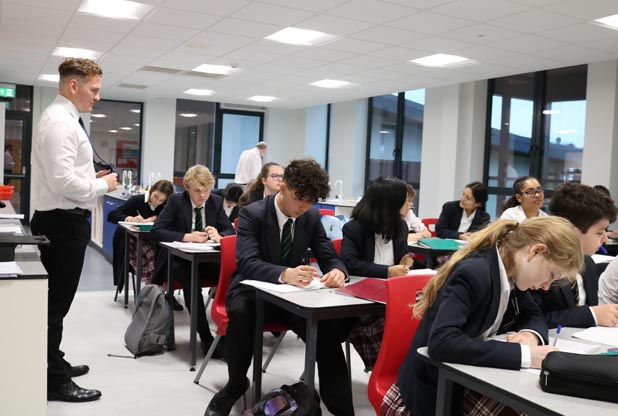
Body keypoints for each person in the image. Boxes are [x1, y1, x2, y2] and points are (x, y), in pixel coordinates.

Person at [384, 217, 584, 416]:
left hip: (464, 380)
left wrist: (531, 334)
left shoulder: (513, 274)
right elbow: (442, 342)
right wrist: (527, 355)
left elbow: (533, 314)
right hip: (431, 392)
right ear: (536, 251)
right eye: (552, 275)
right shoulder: (474, 272)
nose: (547, 286)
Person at [205, 159, 355, 416]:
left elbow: (328, 254)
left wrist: (338, 271)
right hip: (251, 290)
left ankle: (342, 409)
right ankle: (236, 384)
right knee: (240, 312)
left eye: (310, 202)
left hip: (291, 297)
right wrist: (285, 273)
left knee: (327, 334)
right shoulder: (253, 213)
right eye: (299, 199)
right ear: (283, 187)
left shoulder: (309, 216)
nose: (303, 207)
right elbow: (247, 262)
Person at [30, 57, 118, 402]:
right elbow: (63, 182)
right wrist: (103, 187)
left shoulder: (66, 119)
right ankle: (54, 380)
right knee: (54, 307)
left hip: (64, 220)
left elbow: (67, 176)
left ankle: (55, 362)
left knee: (57, 304)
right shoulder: (59, 123)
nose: (97, 96)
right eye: (94, 89)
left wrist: (90, 180)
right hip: (62, 223)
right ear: (73, 86)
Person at [150, 165, 234, 359]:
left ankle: (228, 333)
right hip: (179, 261)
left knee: (234, 275)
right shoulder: (176, 201)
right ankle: (205, 338)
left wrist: (220, 235)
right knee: (191, 282)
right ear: (187, 187)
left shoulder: (215, 201)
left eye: (206, 190)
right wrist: (186, 237)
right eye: (197, 191)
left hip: (207, 259)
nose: (202, 196)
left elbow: (230, 231)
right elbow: (157, 232)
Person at [340, 176, 414, 369]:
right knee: (390, 323)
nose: (409, 204)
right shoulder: (355, 228)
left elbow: (402, 255)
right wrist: (388, 271)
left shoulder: (401, 227)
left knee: (421, 316)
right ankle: (393, 371)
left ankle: (410, 371)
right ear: (390, 203)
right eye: (405, 199)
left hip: (392, 293)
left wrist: (406, 260)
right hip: (362, 297)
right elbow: (350, 263)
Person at [533, 182, 618, 328]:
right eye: (599, 232)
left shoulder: (588, 263)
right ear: (572, 231)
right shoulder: (539, 265)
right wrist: (590, 315)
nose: (605, 238)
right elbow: (530, 321)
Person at [107, 179, 174, 288]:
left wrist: (155, 218)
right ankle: (153, 288)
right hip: (134, 243)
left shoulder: (165, 205)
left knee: (164, 255)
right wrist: (130, 219)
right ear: (152, 190)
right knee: (153, 256)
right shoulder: (137, 200)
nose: (157, 202)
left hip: (155, 242)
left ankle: (156, 288)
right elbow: (112, 215)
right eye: (156, 196)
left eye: (162, 200)